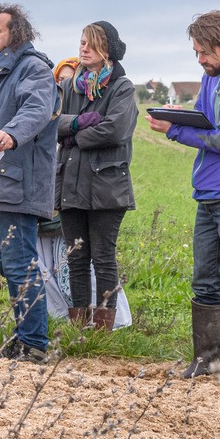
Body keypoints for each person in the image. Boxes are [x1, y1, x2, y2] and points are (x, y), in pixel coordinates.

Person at [150, 10, 220, 378]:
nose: (200, 60)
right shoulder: (212, 74)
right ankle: (206, 361)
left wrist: (174, 132)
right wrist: (180, 116)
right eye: (196, 53)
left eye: (205, 53)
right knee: (205, 279)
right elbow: (205, 117)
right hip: (209, 190)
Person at [0, 3, 59, 363]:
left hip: (18, 184)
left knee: (20, 262)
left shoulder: (33, 68)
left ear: (16, 34)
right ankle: (23, 339)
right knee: (8, 265)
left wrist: (11, 133)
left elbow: (36, 109)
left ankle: (36, 344)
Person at [55, 21, 136, 331]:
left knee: (103, 259)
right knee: (76, 258)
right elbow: (53, 123)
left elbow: (115, 130)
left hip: (106, 187)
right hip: (70, 185)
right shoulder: (68, 86)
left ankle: (102, 330)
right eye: (81, 42)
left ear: (107, 50)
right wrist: (78, 125)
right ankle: (78, 329)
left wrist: (73, 135)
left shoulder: (122, 87)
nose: (83, 48)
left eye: (90, 43)